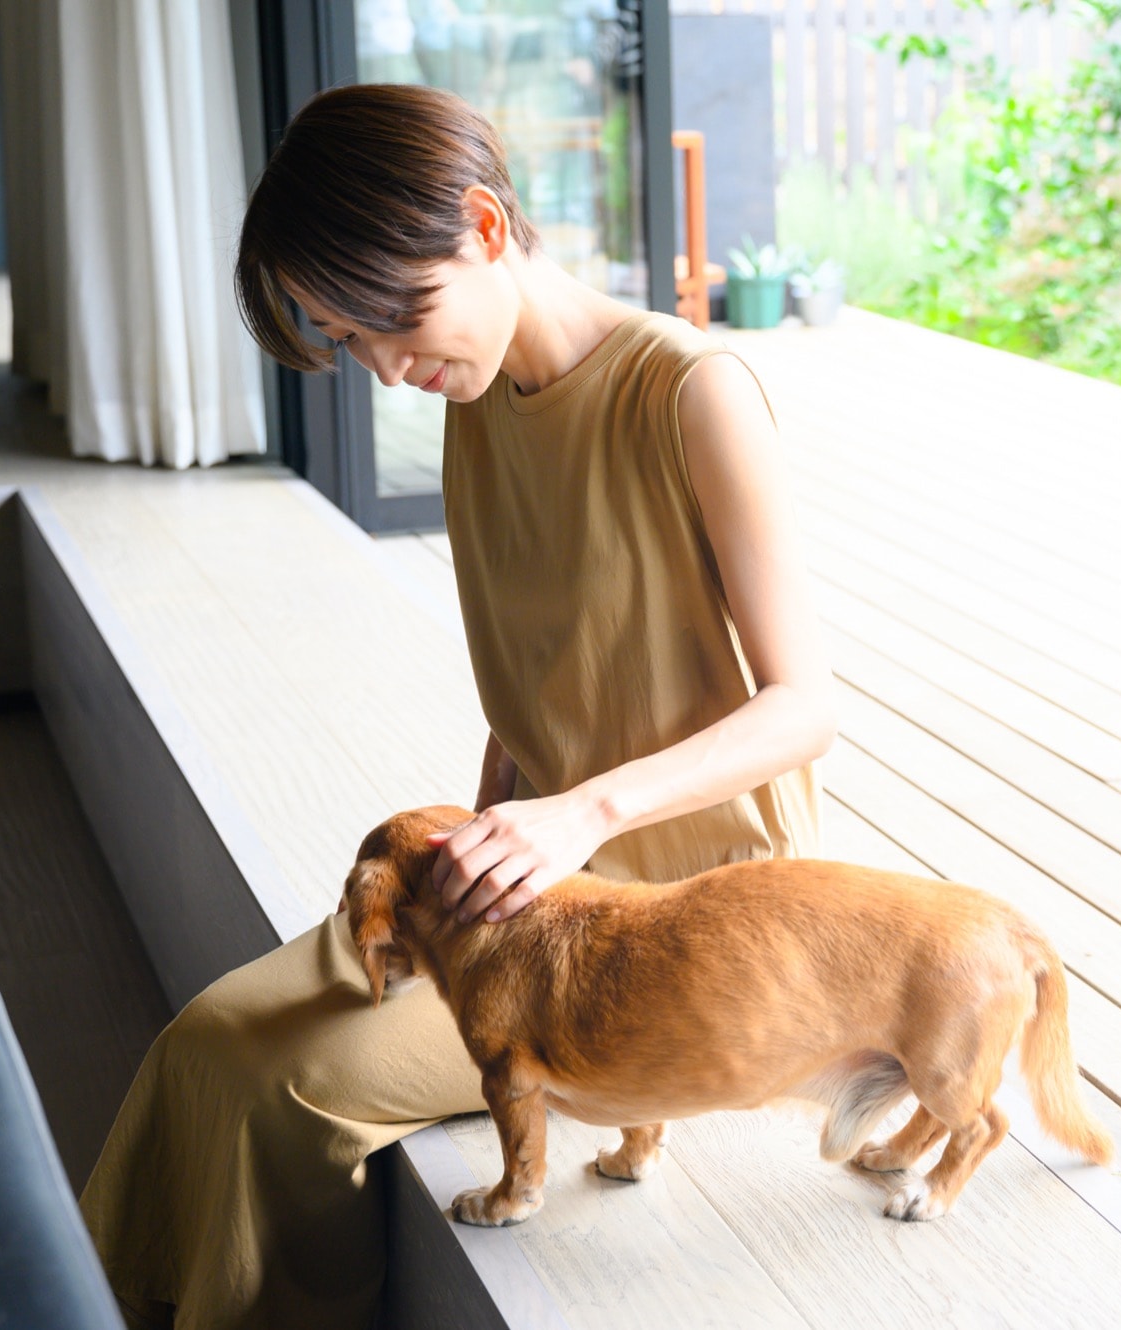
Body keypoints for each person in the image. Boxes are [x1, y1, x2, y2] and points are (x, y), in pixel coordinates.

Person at [77, 82, 834, 1330]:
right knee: (206, 1037)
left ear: (484, 227)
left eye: (393, 321)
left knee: (299, 1083)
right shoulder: (476, 401)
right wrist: (478, 854)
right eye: (348, 341)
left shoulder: (691, 390)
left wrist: (576, 816)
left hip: (667, 915)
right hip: (527, 886)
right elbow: (535, 686)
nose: (386, 368)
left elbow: (805, 706)